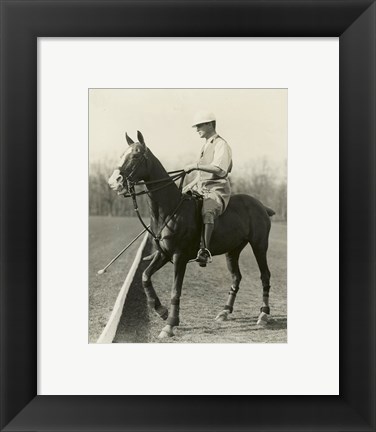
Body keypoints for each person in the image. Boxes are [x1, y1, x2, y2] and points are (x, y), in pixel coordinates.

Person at [183, 111, 233, 266]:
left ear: (210, 124)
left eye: (199, 126)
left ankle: (204, 250)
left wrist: (195, 166)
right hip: (202, 187)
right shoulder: (206, 145)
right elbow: (202, 175)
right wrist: (189, 185)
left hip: (217, 189)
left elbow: (220, 169)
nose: (197, 129)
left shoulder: (221, 144)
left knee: (208, 210)